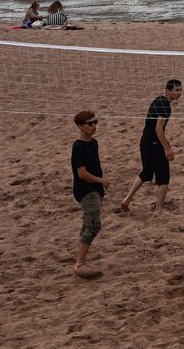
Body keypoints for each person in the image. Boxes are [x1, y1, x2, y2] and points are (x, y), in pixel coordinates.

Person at [118, 78, 182, 217]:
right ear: (168, 90)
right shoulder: (165, 106)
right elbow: (159, 129)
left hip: (145, 142)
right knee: (163, 176)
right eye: (177, 90)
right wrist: (167, 148)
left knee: (147, 173)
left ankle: (126, 200)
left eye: (180, 90)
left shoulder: (158, 99)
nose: (179, 93)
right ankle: (159, 210)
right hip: (154, 144)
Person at [70, 109, 109, 279]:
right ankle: (80, 264)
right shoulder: (78, 147)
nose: (94, 126)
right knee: (93, 226)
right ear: (80, 126)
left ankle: (80, 261)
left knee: (87, 225)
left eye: (96, 122)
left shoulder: (93, 143)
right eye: (90, 123)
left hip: (94, 190)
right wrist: (101, 181)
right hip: (86, 191)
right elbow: (82, 173)